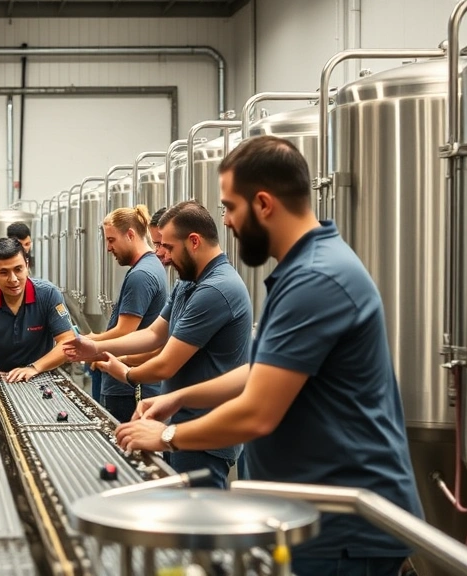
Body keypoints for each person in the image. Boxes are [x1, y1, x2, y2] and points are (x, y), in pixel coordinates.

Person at [115, 136, 423, 575]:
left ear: (262, 203)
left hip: (344, 527)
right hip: (311, 515)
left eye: (230, 208)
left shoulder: (317, 279)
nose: (228, 222)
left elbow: (258, 411)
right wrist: (176, 400)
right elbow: (258, 373)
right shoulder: (301, 270)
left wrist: (167, 437)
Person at [64, 201, 251, 486]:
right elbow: (153, 334)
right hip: (178, 423)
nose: (162, 255)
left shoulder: (217, 289)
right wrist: (98, 347)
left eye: (169, 247)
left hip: (204, 433)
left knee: (199, 520)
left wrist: (126, 374)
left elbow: (166, 363)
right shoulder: (188, 282)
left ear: (194, 242)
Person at [83, 205, 168, 422]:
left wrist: (92, 343)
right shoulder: (150, 267)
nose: (108, 248)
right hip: (129, 379)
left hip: (127, 388)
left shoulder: (141, 275)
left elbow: (125, 331)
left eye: (111, 240)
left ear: (130, 235)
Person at [0, 237, 75, 382]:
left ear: (27, 265)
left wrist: (34, 368)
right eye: (4, 272)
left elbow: (67, 341)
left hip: (41, 375)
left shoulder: (48, 295)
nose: (13, 279)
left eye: (18, 269)